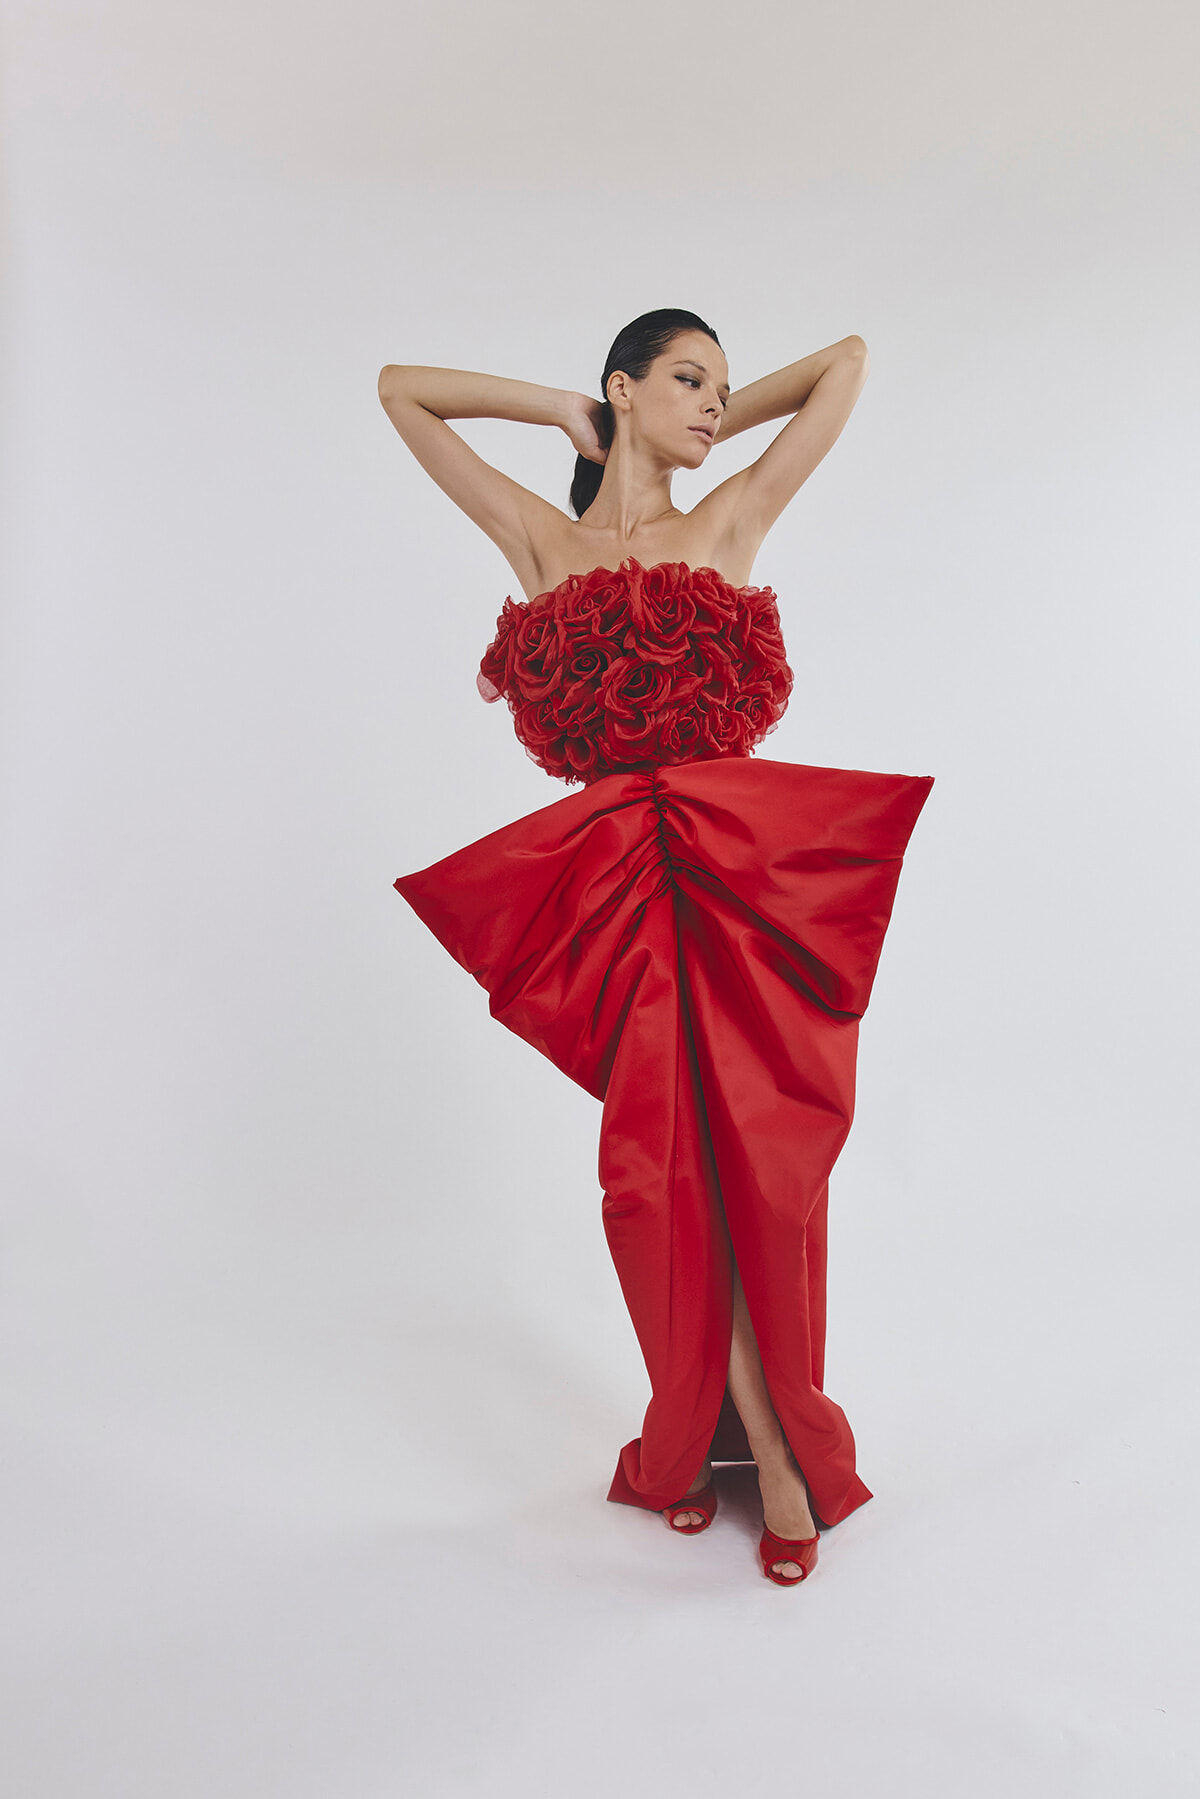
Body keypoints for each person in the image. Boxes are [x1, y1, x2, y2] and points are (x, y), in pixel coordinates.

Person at [378, 310, 932, 1585]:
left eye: (724, 390)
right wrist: (573, 412)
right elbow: (404, 393)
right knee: (656, 1178)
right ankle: (701, 1441)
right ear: (624, 386)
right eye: (687, 379)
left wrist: (700, 423)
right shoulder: (541, 538)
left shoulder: (727, 520)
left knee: (761, 1165)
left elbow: (846, 363)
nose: (712, 404)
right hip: (621, 885)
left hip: (740, 881)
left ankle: (773, 1455)